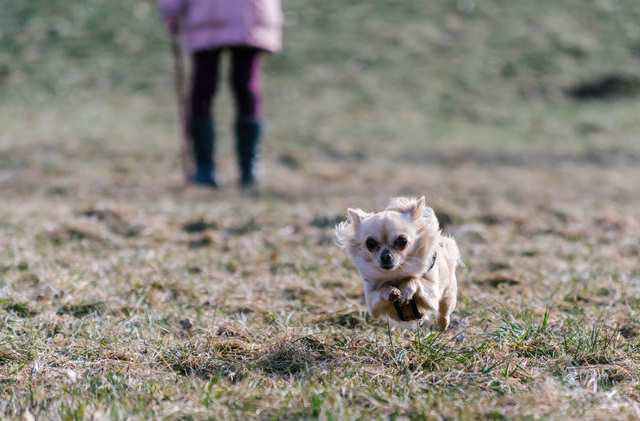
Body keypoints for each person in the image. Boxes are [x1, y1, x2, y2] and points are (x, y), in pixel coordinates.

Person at [158, 0, 283, 188]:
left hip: (209, 14)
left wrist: (171, 9)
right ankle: (247, 169)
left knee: (205, 90)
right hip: (247, 15)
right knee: (243, 88)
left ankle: (206, 169)